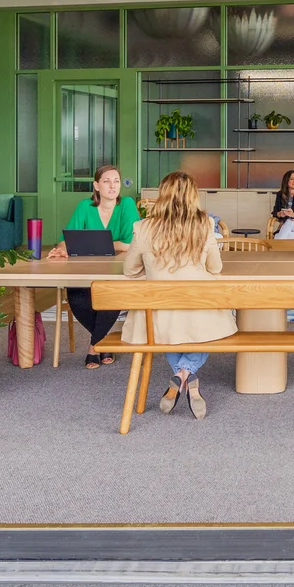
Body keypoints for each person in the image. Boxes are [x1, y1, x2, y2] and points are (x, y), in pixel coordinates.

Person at [120, 171, 235, 419]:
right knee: (204, 326)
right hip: (198, 309)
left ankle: (181, 375)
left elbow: (130, 271)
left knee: (169, 327)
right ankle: (186, 374)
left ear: (162, 195)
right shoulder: (204, 225)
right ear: (193, 197)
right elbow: (216, 268)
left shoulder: (142, 228)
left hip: (157, 315)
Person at [43, 164, 140, 370]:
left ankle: (94, 346)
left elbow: (132, 243)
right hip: (84, 271)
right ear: (96, 185)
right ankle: (102, 340)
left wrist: (95, 244)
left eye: (116, 181)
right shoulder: (84, 207)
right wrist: (62, 249)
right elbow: (65, 240)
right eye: (106, 181)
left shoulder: (128, 205)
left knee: (111, 296)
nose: (112, 186)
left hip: (117, 271)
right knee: (76, 295)